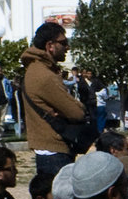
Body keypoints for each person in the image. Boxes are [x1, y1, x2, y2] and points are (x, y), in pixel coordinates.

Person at [21, 22, 89, 178]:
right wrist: (79, 106)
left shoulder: (37, 69)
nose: (68, 47)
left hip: (49, 149)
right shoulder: (44, 75)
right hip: (54, 152)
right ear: (50, 45)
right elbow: (77, 113)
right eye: (64, 43)